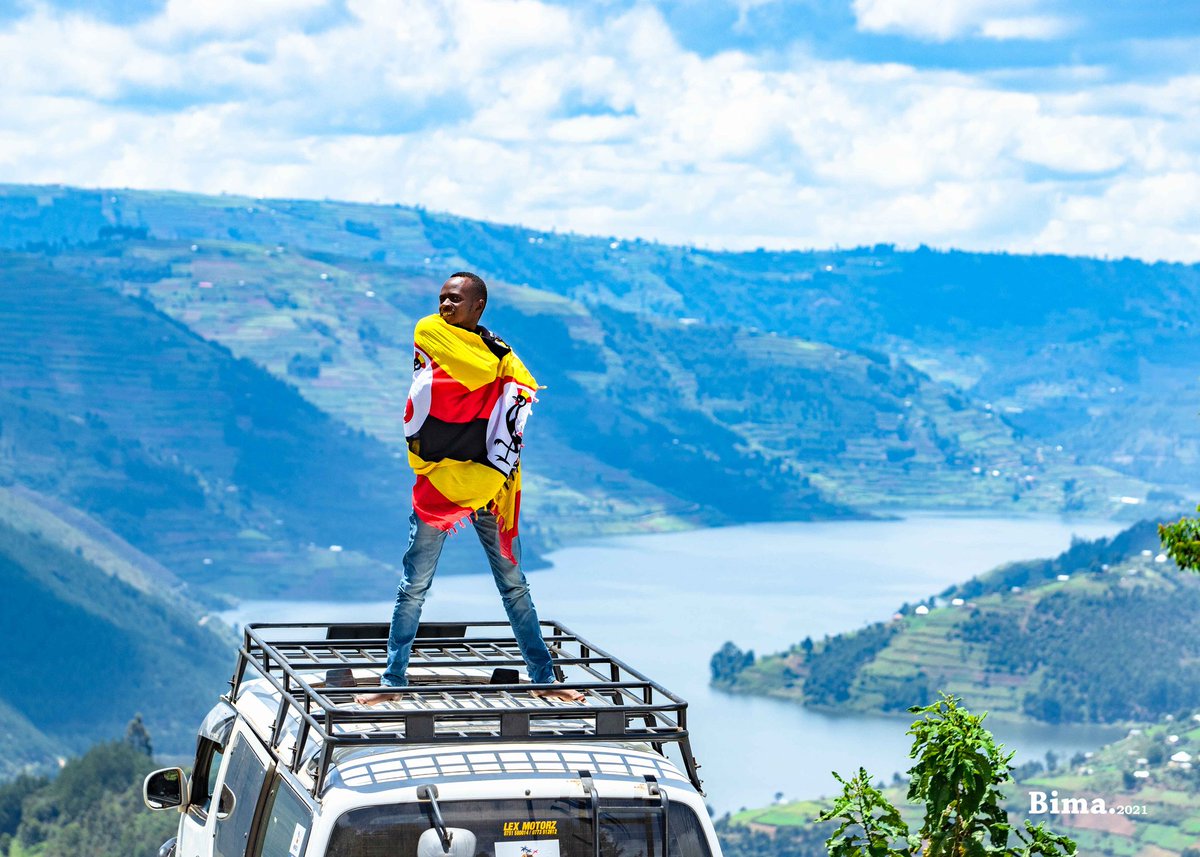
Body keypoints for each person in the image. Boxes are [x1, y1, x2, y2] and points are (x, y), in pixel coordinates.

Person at [357, 272, 584, 704]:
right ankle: (392, 682)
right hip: (442, 482)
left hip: (488, 485)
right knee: (414, 586)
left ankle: (544, 681)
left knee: (514, 585)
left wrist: (500, 370)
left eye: (455, 299)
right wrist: (498, 369)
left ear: (478, 306)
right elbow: (479, 373)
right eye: (442, 297)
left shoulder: (498, 350)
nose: (445, 305)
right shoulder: (430, 330)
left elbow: (525, 386)